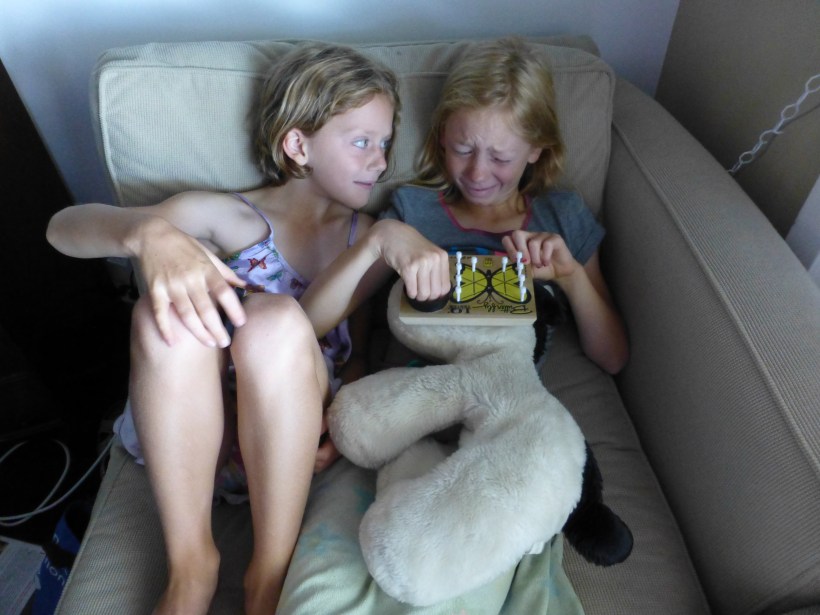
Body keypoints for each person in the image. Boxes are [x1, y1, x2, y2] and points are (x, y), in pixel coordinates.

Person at [46, 42, 449, 615]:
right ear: (298, 144)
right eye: (361, 141)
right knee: (165, 315)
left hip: (285, 445)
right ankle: (191, 570)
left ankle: (269, 573)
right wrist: (148, 235)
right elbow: (62, 228)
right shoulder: (229, 216)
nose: (380, 162)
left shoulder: (368, 238)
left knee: (275, 322)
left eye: (384, 144)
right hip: (191, 443)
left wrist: (384, 244)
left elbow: (333, 340)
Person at [305, 37, 628, 374]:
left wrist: (571, 277)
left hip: (504, 399)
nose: (477, 173)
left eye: (500, 157)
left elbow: (613, 357)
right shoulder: (413, 211)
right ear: (443, 136)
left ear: (536, 149)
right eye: (462, 150)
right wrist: (379, 239)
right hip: (411, 392)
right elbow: (311, 323)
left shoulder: (563, 217)